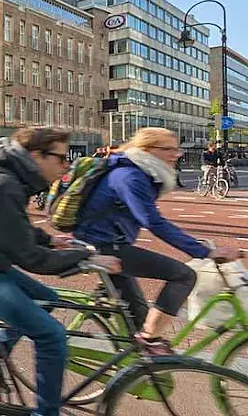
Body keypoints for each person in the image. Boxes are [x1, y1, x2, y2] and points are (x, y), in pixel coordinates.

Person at [0, 127, 121, 416]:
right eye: (61, 158)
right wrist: (86, 258)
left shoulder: (11, 180)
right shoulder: (6, 185)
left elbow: (10, 229)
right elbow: (30, 258)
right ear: (36, 156)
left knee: (47, 298)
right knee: (51, 336)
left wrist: (51, 239)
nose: (66, 165)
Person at [74, 127, 238, 353]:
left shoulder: (141, 171)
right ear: (148, 150)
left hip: (111, 242)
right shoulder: (129, 176)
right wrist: (203, 252)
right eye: (168, 149)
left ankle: (136, 365)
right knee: (183, 276)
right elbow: (153, 222)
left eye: (176, 149)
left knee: (140, 316)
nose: (175, 154)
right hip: (104, 247)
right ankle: (148, 342)